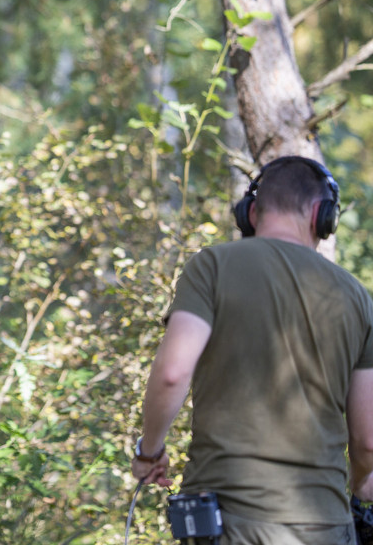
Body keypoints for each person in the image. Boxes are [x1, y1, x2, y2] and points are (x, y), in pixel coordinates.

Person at [131, 155, 373, 544]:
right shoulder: (357, 298)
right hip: (324, 526)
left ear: (252, 211)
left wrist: (149, 452)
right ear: (321, 216)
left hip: (228, 521)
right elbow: (367, 441)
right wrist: (361, 486)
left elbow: (173, 372)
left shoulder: (212, 265)